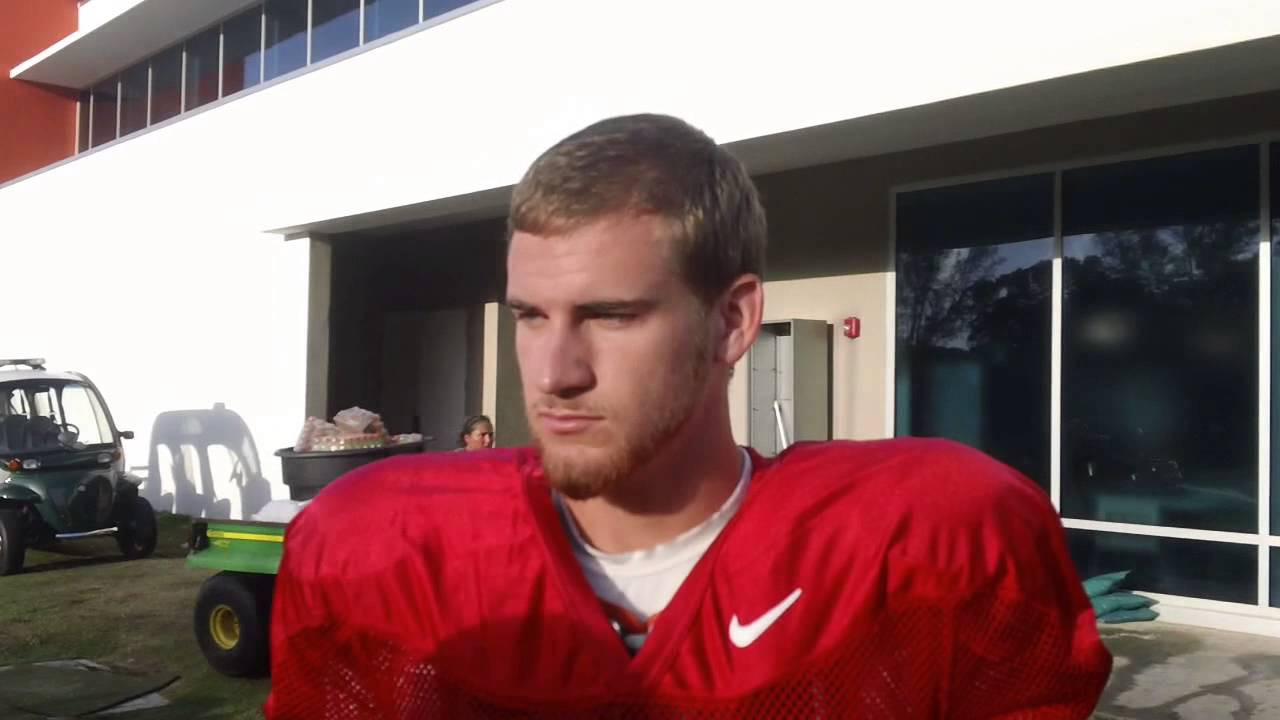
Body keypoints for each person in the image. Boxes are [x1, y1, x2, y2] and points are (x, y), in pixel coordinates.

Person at [266, 114, 1111, 718]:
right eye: (531, 316)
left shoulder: (926, 548)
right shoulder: (379, 553)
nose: (554, 373)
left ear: (733, 322)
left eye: (612, 315)